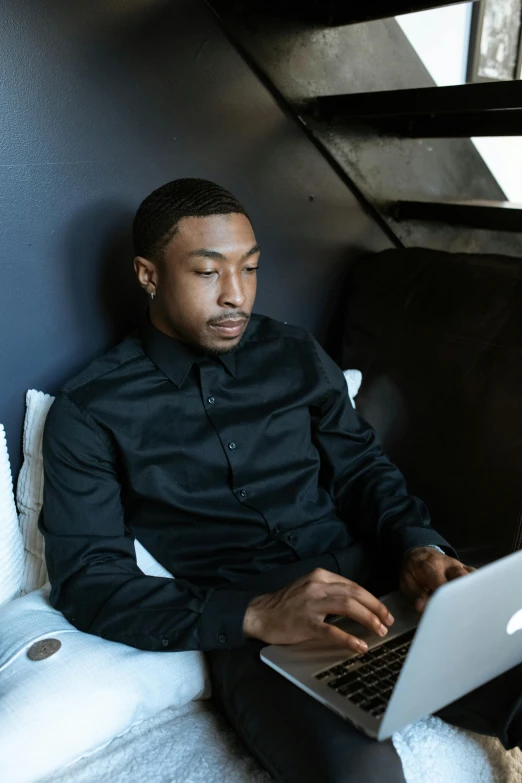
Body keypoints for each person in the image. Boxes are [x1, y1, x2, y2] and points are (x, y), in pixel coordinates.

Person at [39, 178, 522, 783]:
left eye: (251, 268)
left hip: (377, 583)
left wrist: (417, 546)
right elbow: (89, 582)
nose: (236, 295)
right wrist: (256, 614)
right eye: (208, 272)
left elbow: (362, 468)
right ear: (148, 275)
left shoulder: (294, 353)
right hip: (265, 638)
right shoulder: (90, 411)